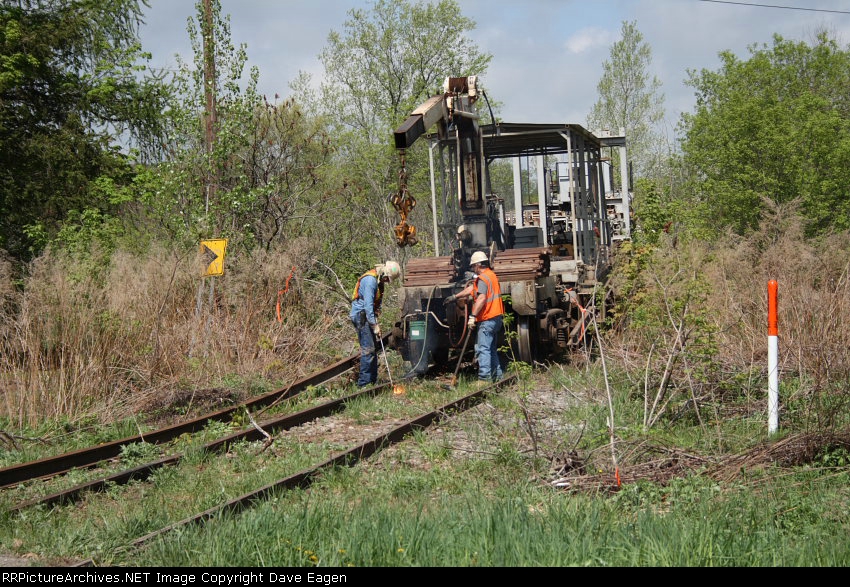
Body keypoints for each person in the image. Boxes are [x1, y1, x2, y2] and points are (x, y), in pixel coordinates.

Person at [444, 250, 504, 382]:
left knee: (483, 349)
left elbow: (481, 298)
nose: (472, 269)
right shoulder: (490, 275)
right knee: (491, 349)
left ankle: (484, 379)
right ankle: (498, 376)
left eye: (473, 266)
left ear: (478, 265)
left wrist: (472, 316)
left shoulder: (483, 278)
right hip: (496, 318)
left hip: (487, 318)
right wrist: (455, 297)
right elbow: (472, 289)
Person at [350, 260, 401, 387]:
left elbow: (374, 305)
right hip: (361, 315)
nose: (388, 282)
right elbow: (367, 307)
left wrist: (376, 315)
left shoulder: (378, 282)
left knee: (372, 348)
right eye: (388, 279)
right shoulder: (370, 281)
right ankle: (364, 384)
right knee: (368, 349)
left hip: (367, 314)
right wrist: (375, 325)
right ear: (384, 273)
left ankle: (372, 380)